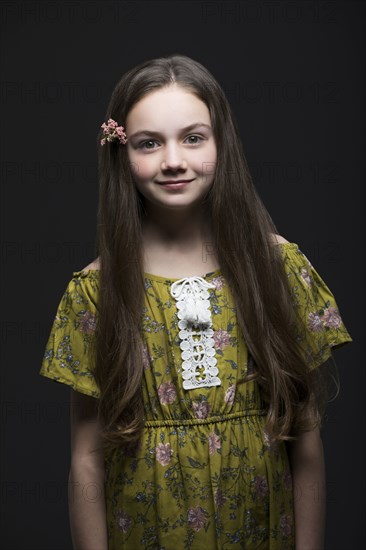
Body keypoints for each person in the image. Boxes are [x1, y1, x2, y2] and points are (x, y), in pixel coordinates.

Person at [39, 54, 352, 550]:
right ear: (121, 152)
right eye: (149, 143)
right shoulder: (96, 293)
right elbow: (86, 457)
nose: (173, 161)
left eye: (192, 137)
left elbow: (305, 433)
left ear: (220, 143)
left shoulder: (277, 267)